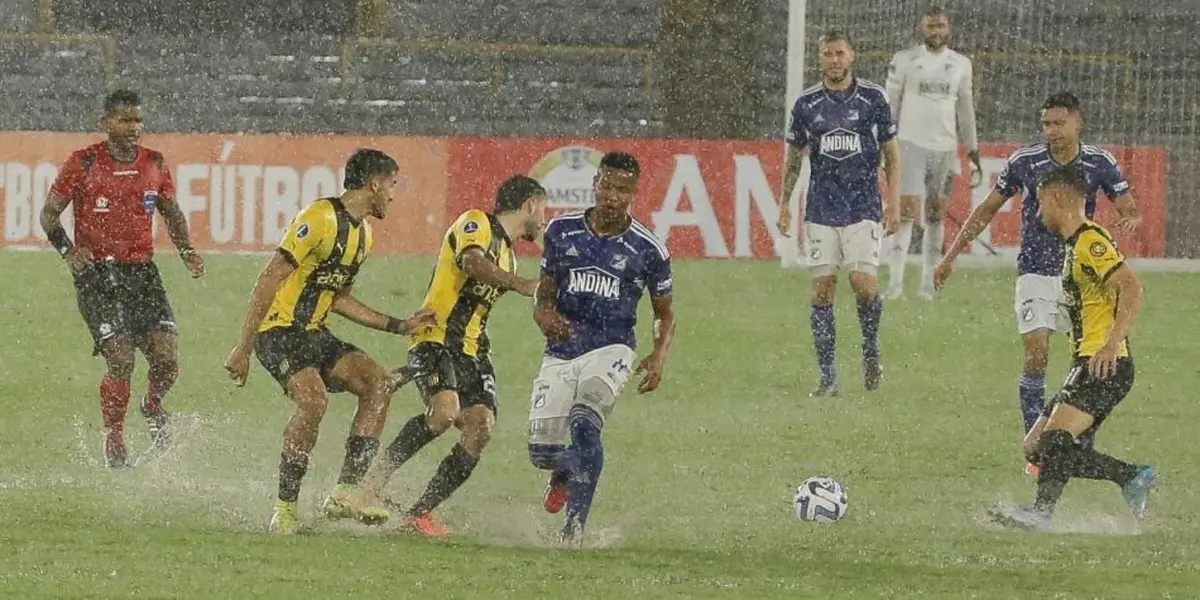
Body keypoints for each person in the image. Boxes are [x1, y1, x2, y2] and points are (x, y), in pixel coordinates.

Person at [223, 148, 436, 535]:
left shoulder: (364, 235)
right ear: (374, 183)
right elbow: (270, 277)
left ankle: (345, 492)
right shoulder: (319, 219)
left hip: (315, 333)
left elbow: (337, 296)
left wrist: (399, 325)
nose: (392, 194)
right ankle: (284, 509)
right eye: (391, 185)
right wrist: (243, 346)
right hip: (279, 332)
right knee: (314, 400)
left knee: (380, 384)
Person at [934, 92, 1141, 472]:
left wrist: (1130, 220)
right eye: (1046, 124)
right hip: (1035, 269)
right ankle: (1038, 445)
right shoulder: (1025, 161)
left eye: (1059, 123)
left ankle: (1068, 432)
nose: (1051, 131)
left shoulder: (1100, 162)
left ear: (1078, 122)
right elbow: (987, 209)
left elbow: (1130, 209)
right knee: (1037, 351)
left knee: (1084, 357)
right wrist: (951, 255)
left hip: (1079, 277)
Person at [360, 175, 548, 538]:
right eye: (543, 209)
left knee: (480, 426)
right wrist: (520, 284)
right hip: (435, 337)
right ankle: (368, 485)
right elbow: (472, 263)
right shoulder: (475, 222)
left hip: (474, 350)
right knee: (444, 413)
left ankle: (417, 514)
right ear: (529, 204)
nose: (544, 218)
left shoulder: (508, 253)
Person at [42, 89, 205, 468]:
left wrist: (186, 251)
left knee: (165, 356)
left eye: (138, 120)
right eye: (126, 120)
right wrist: (68, 250)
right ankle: (114, 440)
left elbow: (172, 211)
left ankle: (152, 405)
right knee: (121, 358)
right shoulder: (82, 163)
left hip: (141, 272)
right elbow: (48, 215)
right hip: (97, 274)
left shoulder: (155, 163)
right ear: (106, 123)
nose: (134, 127)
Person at [987, 165, 1155, 531]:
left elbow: (1132, 287)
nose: (1036, 213)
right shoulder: (1074, 246)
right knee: (1036, 446)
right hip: (1087, 362)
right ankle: (1118, 480)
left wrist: (1111, 345)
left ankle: (1053, 509)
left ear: (1059, 198)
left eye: (1040, 203)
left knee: (1053, 442)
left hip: (1105, 364)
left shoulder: (1089, 241)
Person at [527, 151, 676, 547]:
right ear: (594, 185)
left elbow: (665, 312)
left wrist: (659, 353)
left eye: (622, 190)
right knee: (541, 452)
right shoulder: (562, 231)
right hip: (561, 350)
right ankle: (564, 470)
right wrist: (542, 313)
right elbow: (546, 287)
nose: (612, 196)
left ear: (634, 194)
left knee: (585, 424)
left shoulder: (649, 250)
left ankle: (573, 531)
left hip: (612, 349)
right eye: (607, 186)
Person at [777, 29, 902, 397]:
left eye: (840, 53)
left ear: (853, 55)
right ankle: (829, 377)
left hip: (863, 206)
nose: (834, 60)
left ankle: (870, 348)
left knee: (863, 286)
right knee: (822, 291)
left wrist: (893, 203)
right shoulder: (806, 105)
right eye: (828, 54)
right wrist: (784, 204)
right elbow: (792, 161)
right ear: (821, 58)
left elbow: (892, 156)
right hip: (821, 208)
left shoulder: (873, 99)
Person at [883, 5, 982, 300]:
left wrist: (972, 149)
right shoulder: (905, 60)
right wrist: (884, 145)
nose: (936, 31)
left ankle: (928, 283)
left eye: (940, 26)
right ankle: (896, 283)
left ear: (948, 29)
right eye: (931, 26)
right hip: (910, 144)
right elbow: (890, 105)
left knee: (936, 215)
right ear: (921, 28)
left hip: (946, 148)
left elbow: (966, 110)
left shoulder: (961, 64)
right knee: (906, 213)